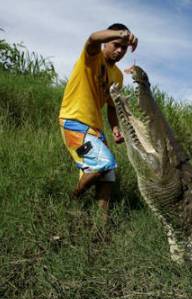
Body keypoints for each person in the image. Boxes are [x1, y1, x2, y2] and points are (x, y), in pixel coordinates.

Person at [58, 23, 138, 220]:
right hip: (74, 121)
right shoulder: (92, 56)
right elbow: (93, 38)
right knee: (103, 164)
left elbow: (111, 106)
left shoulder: (118, 76)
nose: (119, 50)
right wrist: (122, 34)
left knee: (108, 176)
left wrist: (115, 128)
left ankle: (100, 225)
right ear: (106, 43)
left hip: (95, 128)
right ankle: (72, 200)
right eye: (115, 44)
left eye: (124, 48)